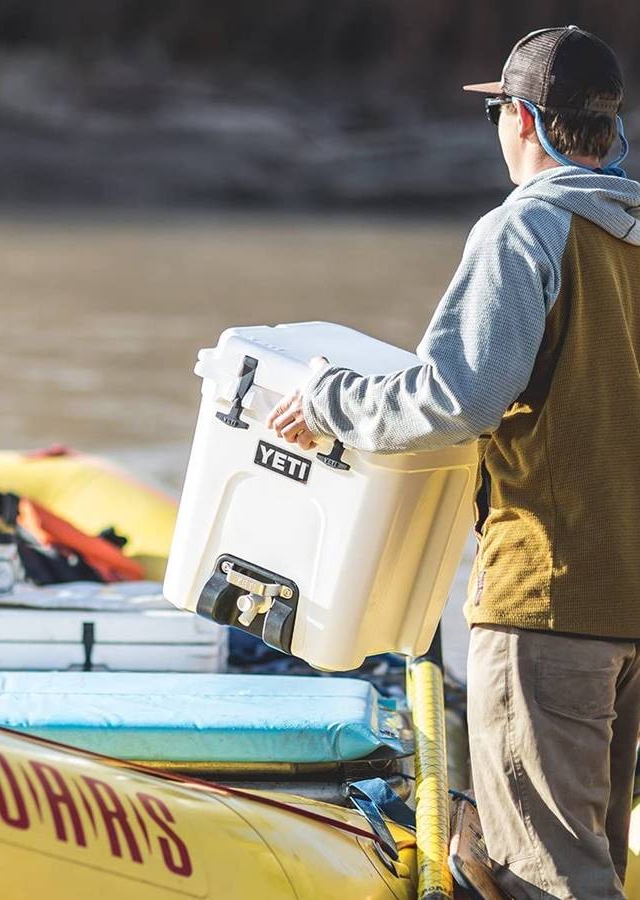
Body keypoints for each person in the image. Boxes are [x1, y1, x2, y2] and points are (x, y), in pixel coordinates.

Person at [268, 25, 640, 900]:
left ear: (522, 120)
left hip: (548, 602)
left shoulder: (526, 228)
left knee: (542, 877)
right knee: (593, 854)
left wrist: (329, 400)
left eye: (501, 112)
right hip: (629, 605)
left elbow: (455, 398)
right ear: (607, 128)